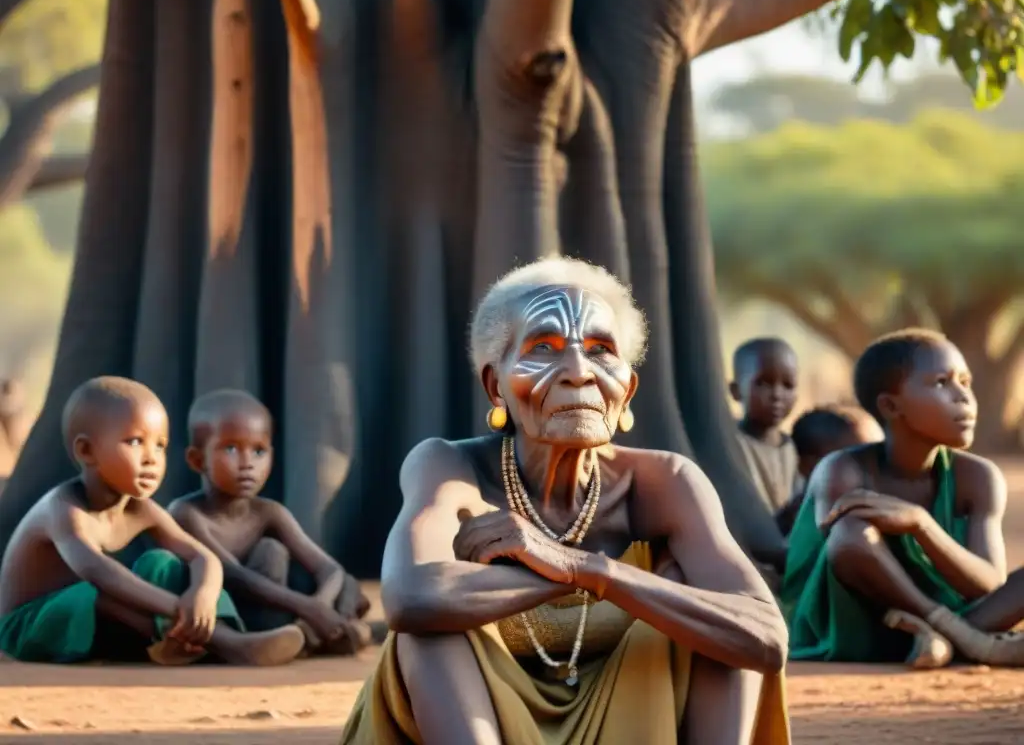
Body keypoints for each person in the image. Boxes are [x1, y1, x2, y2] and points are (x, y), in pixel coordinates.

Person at [341, 256, 790, 745]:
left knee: (711, 618)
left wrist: (583, 569)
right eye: (544, 348)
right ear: (496, 386)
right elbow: (410, 599)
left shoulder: (665, 481)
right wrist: (557, 577)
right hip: (481, 715)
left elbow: (764, 637)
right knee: (430, 629)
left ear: (628, 389)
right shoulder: (451, 468)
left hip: (632, 712)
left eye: (600, 350)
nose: (579, 372)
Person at [0, 376, 305, 665]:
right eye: (135, 442)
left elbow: (203, 557)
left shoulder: (139, 508)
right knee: (96, 591)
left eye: (159, 445)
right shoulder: (63, 509)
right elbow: (98, 572)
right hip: (26, 629)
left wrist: (201, 596)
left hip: (90, 624)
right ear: (87, 450)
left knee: (161, 562)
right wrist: (179, 610)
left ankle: (195, 640)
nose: (151, 458)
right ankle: (229, 645)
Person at [782, 329, 1024, 669]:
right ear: (891, 405)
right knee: (850, 533)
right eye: (942, 383)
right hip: (859, 626)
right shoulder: (842, 470)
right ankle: (966, 640)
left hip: (956, 614)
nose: (963, 397)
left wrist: (922, 525)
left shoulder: (978, 477)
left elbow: (988, 584)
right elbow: (845, 555)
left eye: (965, 382)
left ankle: (944, 638)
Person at [169, 389, 373, 656]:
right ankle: (313, 635)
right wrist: (308, 608)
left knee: (341, 581)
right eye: (231, 449)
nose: (247, 464)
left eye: (258, 451)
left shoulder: (269, 512)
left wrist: (319, 605)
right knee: (271, 552)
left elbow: (329, 568)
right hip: (237, 613)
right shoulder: (186, 513)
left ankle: (322, 630)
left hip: (289, 608)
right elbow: (235, 577)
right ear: (197, 460)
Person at [775, 405, 882, 535]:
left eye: (879, 458)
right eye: (859, 461)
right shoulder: (798, 528)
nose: (874, 470)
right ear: (809, 466)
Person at [729, 338, 800, 515]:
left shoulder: (796, 449)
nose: (777, 394)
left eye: (788, 385)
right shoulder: (729, 444)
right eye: (763, 383)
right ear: (736, 391)